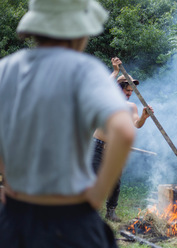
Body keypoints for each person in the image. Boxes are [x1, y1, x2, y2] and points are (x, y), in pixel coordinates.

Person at [0, 1, 135, 247]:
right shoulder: (84, 70)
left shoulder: (6, 68)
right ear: (79, 32)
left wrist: (6, 176)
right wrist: (97, 194)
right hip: (70, 220)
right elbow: (125, 132)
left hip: (15, 216)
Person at [92, 57, 154, 222]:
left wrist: (144, 117)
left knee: (115, 182)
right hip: (98, 146)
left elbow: (137, 124)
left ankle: (111, 212)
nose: (129, 94)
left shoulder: (130, 107)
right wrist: (115, 71)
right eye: (127, 91)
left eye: (131, 92)